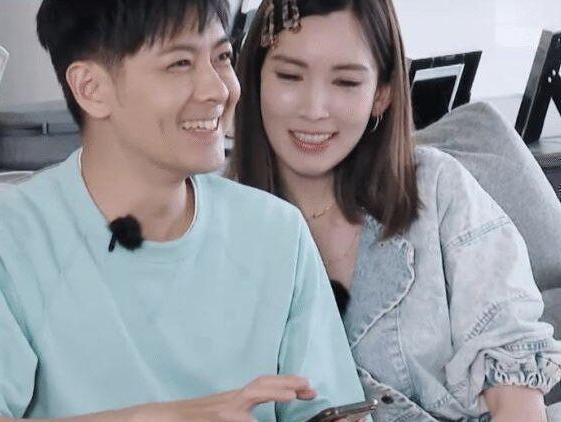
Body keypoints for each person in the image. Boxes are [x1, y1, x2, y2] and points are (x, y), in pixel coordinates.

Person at [0, 0, 367, 421]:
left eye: (222, 57)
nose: (218, 90)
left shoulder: (277, 232)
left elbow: (331, 410)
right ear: (91, 88)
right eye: (180, 64)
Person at [228, 0, 561, 420]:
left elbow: (511, 365)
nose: (314, 109)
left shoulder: (436, 187)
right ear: (254, 79)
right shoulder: (218, 224)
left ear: (382, 94)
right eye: (290, 76)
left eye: (346, 82)